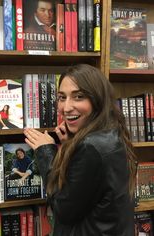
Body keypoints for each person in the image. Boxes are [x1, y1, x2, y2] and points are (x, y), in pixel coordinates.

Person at [24, 64, 137, 235]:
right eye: (62, 97)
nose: (66, 108)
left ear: (97, 99)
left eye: (78, 97)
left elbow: (63, 210)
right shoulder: (111, 132)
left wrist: (45, 152)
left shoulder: (90, 146)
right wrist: (70, 144)